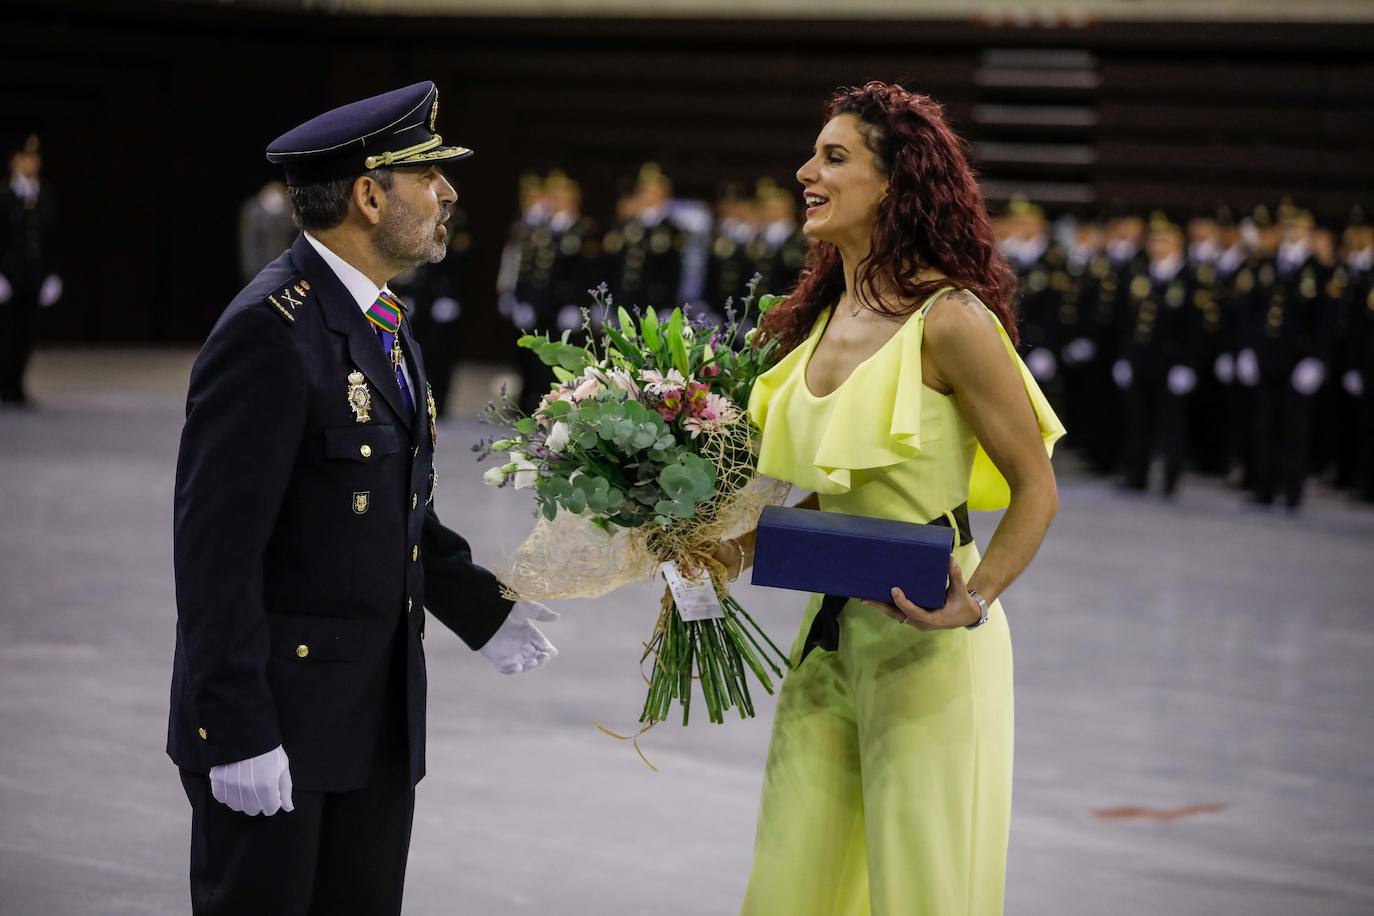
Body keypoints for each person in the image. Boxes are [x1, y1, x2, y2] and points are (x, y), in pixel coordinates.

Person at [168, 81, 558, 916]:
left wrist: (479, 608)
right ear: (370, 195)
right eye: (430, 177)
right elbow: (214, 556)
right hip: (280, 725)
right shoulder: (270, 331)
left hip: (372, 719)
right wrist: (235, 731)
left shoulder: (381, 321)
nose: (449, 193)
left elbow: (392, 504)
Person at [715, 82, 1063, 916]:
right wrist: (723, 546)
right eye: (813, 154)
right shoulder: (817, 313)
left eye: (834, 157)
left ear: (895, 185)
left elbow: (1036, 490)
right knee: (797, 873)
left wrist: (973, 602)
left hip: (932, 641)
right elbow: (831, 494)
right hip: (828, 638)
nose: (807, 170)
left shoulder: (952, 320)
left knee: (922, 890)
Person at [0, 134, 61, 407]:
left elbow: (54, 239)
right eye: (24, 158)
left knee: (25, 334)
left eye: (34, 158)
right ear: (13, 161)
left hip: (32, 278)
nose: (30, 163)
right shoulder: (4, 196)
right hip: (8, 277)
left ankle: (16, 385)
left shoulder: (44, 195)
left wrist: (52, 274)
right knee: (5, 333)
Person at [238, 179, 297, 283]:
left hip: (285, 266)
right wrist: (252, 270)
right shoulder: (253, 211)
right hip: (260, 268)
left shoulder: (289, 210)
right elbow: (250, 244)